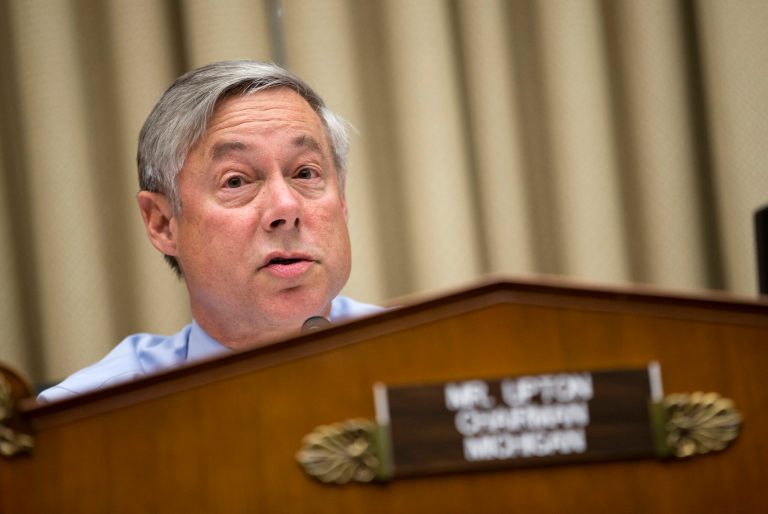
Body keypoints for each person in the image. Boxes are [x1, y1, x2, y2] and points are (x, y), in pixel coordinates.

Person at [38, 61, 382, 402]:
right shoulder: (87, 421)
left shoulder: (424, 355)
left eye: (305, 174)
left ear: (343, 199)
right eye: (236, 181)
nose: (286, 208)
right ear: (161, 223)